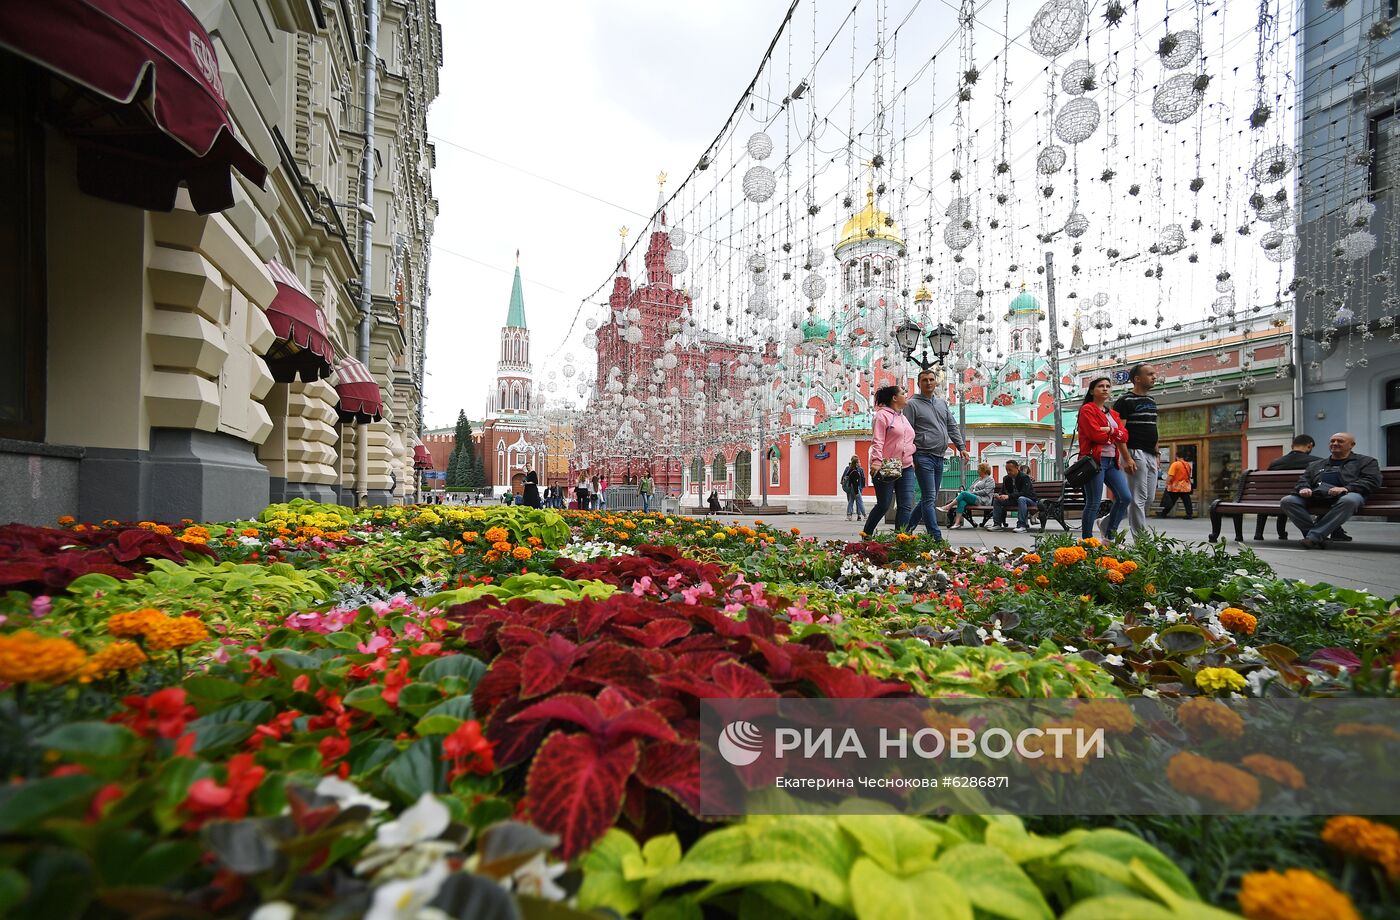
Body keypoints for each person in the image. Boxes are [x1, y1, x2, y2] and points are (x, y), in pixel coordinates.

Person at [1280, 432, 1381, 549]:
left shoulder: (1366, 462)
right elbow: (1303, 480)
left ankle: (1313, 537)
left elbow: (1372, 481)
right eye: (1332, 441)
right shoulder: (1315, 464)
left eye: (1340, 441)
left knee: (1350, 500)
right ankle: (1316, 537)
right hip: (1317, 496)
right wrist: (1304, 488)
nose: (1335, 443)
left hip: (1348, 494)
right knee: (1288, 501)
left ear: (1352, 445)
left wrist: (1346, 488)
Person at [903, 368, 970, 541]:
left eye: (931, 379)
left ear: (936, 382)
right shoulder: (912, 405)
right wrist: (909, 456)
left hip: (940, 456)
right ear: (918, 384)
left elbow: (952, 426)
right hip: (923, 455)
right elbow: (907, 432)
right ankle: (936, 536)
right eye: (924, 380)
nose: (928, 383)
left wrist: (961, 446)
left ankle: (906, 530)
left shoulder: (941, 403)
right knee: (930, 498)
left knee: (928, 497)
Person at [1077, 376, 1132, 541]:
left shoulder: (1113, 414)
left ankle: (1109, 537)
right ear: (1092, 391)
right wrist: (1114, 434)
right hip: (1094, 461)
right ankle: (1087, 542)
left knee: (1125, 497)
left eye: (1108, 386)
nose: (1105, 389)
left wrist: (1110, 430)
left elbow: (1125, 436)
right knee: (1093, 502)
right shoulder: (1087, 409)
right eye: (1101, 386)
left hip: (1111, 462)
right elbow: (1095, 435)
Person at [862, 385, 917, 536]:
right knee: (884, 504)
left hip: (906, 467)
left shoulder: (903, 418)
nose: (905, 395)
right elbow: (878, 440)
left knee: (905, 506)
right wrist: (876, 461)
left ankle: (901, 540)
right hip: (886, 466)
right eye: (902, 393)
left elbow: (909, 441)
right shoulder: (882, 416)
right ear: (894, 398)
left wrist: (912, 458)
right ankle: (866, 534)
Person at [1112, 363, 1159, 540]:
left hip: (1150, 454)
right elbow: (1118, 432)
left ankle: (1107, 522)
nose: (1154, 376)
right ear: (1137, 379)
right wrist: (1127, 457)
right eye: (1150, 374)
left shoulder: (1151, 401)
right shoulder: (1124, 401)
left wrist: (1157, 452)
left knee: (1149, 498)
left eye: (1154, 373)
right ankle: (1142, 542)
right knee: (1138, 499)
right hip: (1134, 452)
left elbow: (1154, 427)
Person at [940, 462, 996, 528]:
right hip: (974, 499)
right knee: (962, 501)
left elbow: (986, 491)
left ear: (983, 470)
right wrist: (969, 493)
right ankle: (957, 523)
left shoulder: (990, 479)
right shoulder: (977, 479)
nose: (977, 471)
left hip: (983, 500)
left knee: (963, 493)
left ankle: (948, 506)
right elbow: (970, 489)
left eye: (979, 469)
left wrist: (971, 493)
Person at [989, 460, 1038, 532]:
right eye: (1007, 470)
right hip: (1014, 500)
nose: (1008, 472)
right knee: (997, 501)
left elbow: (1025, 493)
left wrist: (1009, 496)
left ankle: (1021, 526)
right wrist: (999, 496)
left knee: (1021, 499)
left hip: (1029, 500)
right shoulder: (1006, 478)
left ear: (1017, 468)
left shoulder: (1024, 477)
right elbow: (1003, 491)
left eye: (1010, 470)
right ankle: (997, 525)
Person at [1159, 448, 1195, 519]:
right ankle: (1189, 514)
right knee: (1187, 501)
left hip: (1175, 486)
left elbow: (1171, 475)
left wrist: (1167, 483)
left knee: (1171, 500)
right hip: (1184, 486)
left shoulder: (1175, 464)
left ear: (1176, 456)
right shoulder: (1187, 465)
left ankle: (1164, 513)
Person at [841, 456, 868, 521]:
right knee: (860, 501)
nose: (860, 463)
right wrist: (856, 492)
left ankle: (849, 516)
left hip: (851, 488)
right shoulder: (855, 471)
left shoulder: (850, 469)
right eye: (859, 462)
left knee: (850, 501)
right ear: (856, 463)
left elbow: (845, 477)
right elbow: (855, 482)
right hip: (855, 488)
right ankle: (865, 515)